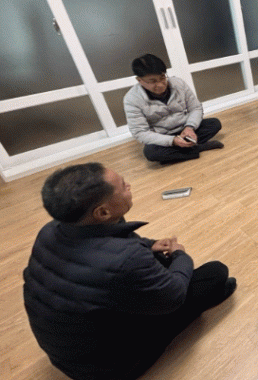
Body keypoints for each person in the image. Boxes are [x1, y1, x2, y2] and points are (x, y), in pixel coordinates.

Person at [23, 163, 236, 380]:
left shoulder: (49, 231)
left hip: (69, 355)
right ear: (103, 212)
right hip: (110, 370)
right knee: (215, 274)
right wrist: (180, 255)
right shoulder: (128, 259)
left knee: (158, 263)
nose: (129, 186)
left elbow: (113, 247)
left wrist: (149, 245)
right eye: (123, 186)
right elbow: (174, 296)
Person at [124, 54, 224, 164]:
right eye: (153, 81)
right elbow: (140, 132)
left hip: (184, 128)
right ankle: (199, 147)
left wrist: (190, 127)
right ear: (139, 80)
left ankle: (177, 153)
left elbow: (195, 108)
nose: (160, 85)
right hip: (162, 136)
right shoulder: (132, 99)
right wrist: (172, 141)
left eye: (162, 77)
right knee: (151, 153)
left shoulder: (178, 83)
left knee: (214, 124)